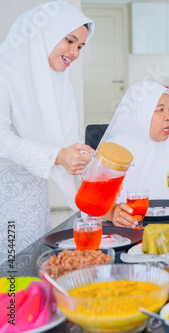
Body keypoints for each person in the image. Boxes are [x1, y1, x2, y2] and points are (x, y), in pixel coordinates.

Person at [0, 1, 95, 255]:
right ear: (46, 32)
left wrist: (77, 155)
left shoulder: (53, 80)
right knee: (9, 274)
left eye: (80, 46)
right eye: (69, 40)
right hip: (4, 201)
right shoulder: (3, 71)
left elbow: (63, 137)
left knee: (30, 272)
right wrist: (57, 155)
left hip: (35, 201)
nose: (74, 52)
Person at [100, 81, 169, 228]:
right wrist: (112, 212)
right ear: (141, 113)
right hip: (124, 233)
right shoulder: (113, 149)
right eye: (160, 110)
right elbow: (92, 204)